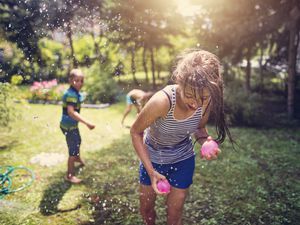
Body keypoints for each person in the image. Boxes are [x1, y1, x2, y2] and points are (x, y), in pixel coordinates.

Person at [130, 49, 234, 225]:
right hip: (153, 159)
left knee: (175, 214)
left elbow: (200, 129)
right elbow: (135, 131)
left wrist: (205, 140)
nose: (196, 104)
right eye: (189, 96)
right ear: (179, 82)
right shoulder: (162, 102)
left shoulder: (205, 102)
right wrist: (151, 171)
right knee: (146, 209)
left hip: (182, 160)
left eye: (203, 98)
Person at [60, 69, 95, 184]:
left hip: (71, 125)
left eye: (81, 81)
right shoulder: (71, 94)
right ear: (70, 81)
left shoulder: (74, 92)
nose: (79, 83)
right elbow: (71, 112)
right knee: (73, 149)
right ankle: (69, 175)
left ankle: (78, 158)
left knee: (78, 140)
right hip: (69, 126)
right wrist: (87, 123)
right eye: (76, 81)